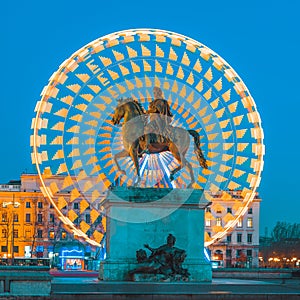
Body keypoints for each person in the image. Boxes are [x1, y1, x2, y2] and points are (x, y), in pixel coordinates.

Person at [144, 87, 173, 153]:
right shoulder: (153, 102)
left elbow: (156, 110)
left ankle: (147, 146)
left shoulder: (161, 101)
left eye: (156, 92)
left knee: (147, 129)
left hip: (159, 120)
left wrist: (147, 111)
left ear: (160, 92)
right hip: (152, 119)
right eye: (154, 92)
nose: (155, 94)